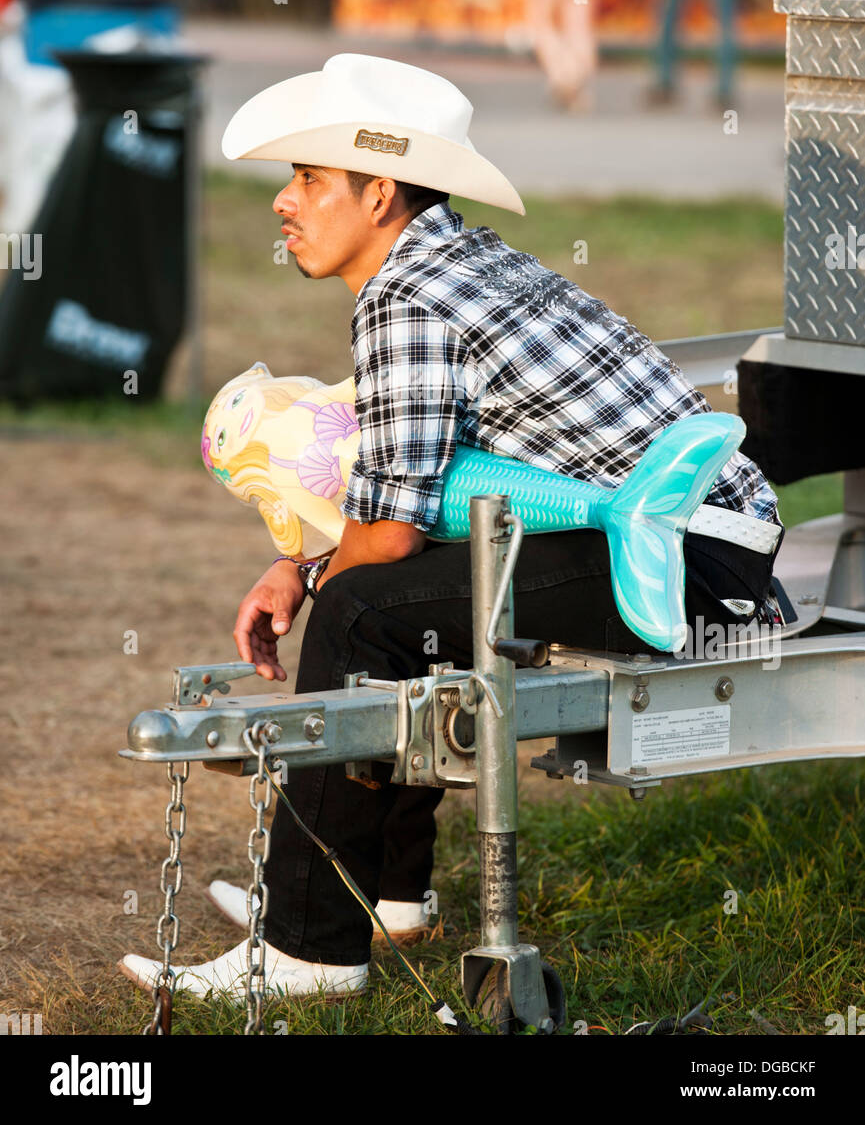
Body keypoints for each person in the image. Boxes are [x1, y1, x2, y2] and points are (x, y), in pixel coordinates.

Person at [119, 52, 783, 1002]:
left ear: (378, 192)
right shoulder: (456, 260)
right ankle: (384, 893)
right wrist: (294, 559)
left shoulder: (408, 296)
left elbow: (384, 536)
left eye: (308, 178)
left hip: (683, 552)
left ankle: (308, 948)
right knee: (402, 585)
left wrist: (309, 582)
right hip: (711, 537)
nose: (284, 202)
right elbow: (410, 495)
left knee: (359, 608)